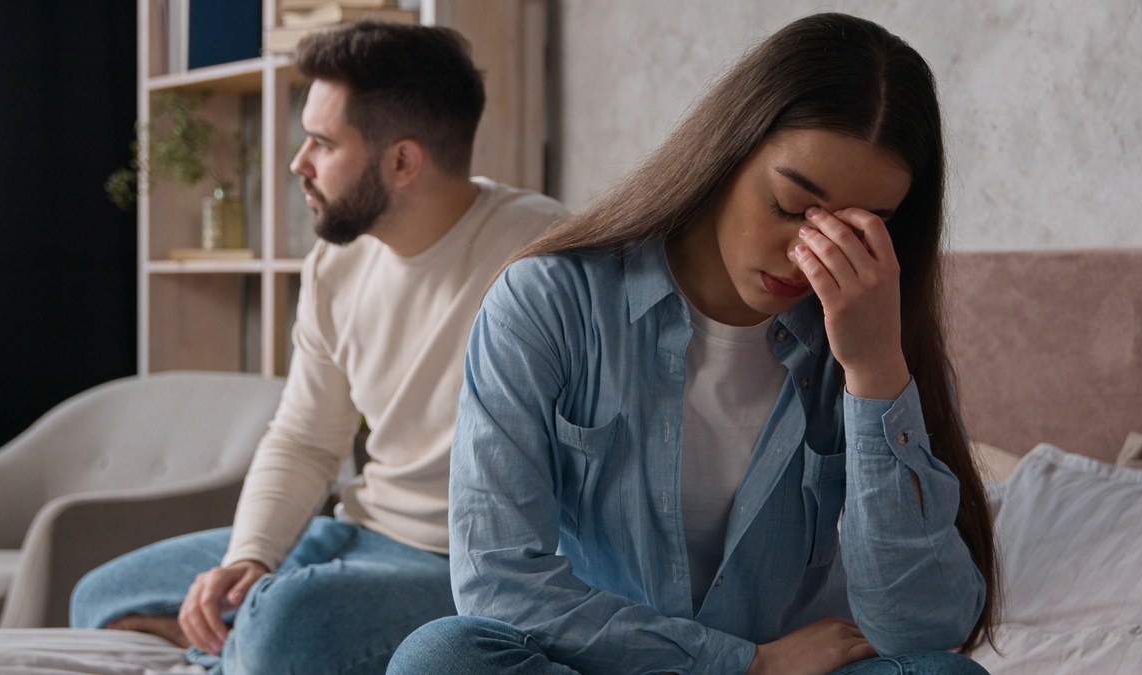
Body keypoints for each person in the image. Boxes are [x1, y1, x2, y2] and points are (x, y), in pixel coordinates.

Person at [389, 12, 998, 675]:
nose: (809, 255)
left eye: (859, 230)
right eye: (792, 206)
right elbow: (499, 584)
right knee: (442, 659)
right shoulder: (549, 301)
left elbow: (923, 629)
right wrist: (745, 664)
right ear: (728, 153)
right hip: (621, 667)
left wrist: (875, 371)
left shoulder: (879, 336)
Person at [69, 20, 565, 674]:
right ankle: (250, 651)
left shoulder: (546, 254)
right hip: (360, 534)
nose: (298, 162)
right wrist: (251, 556)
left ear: (403, 161)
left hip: (468, 567)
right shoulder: (335, 263)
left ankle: (248, 649)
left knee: (286, 619)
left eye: (322, 143)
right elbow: (305, 438)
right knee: (100, 594)